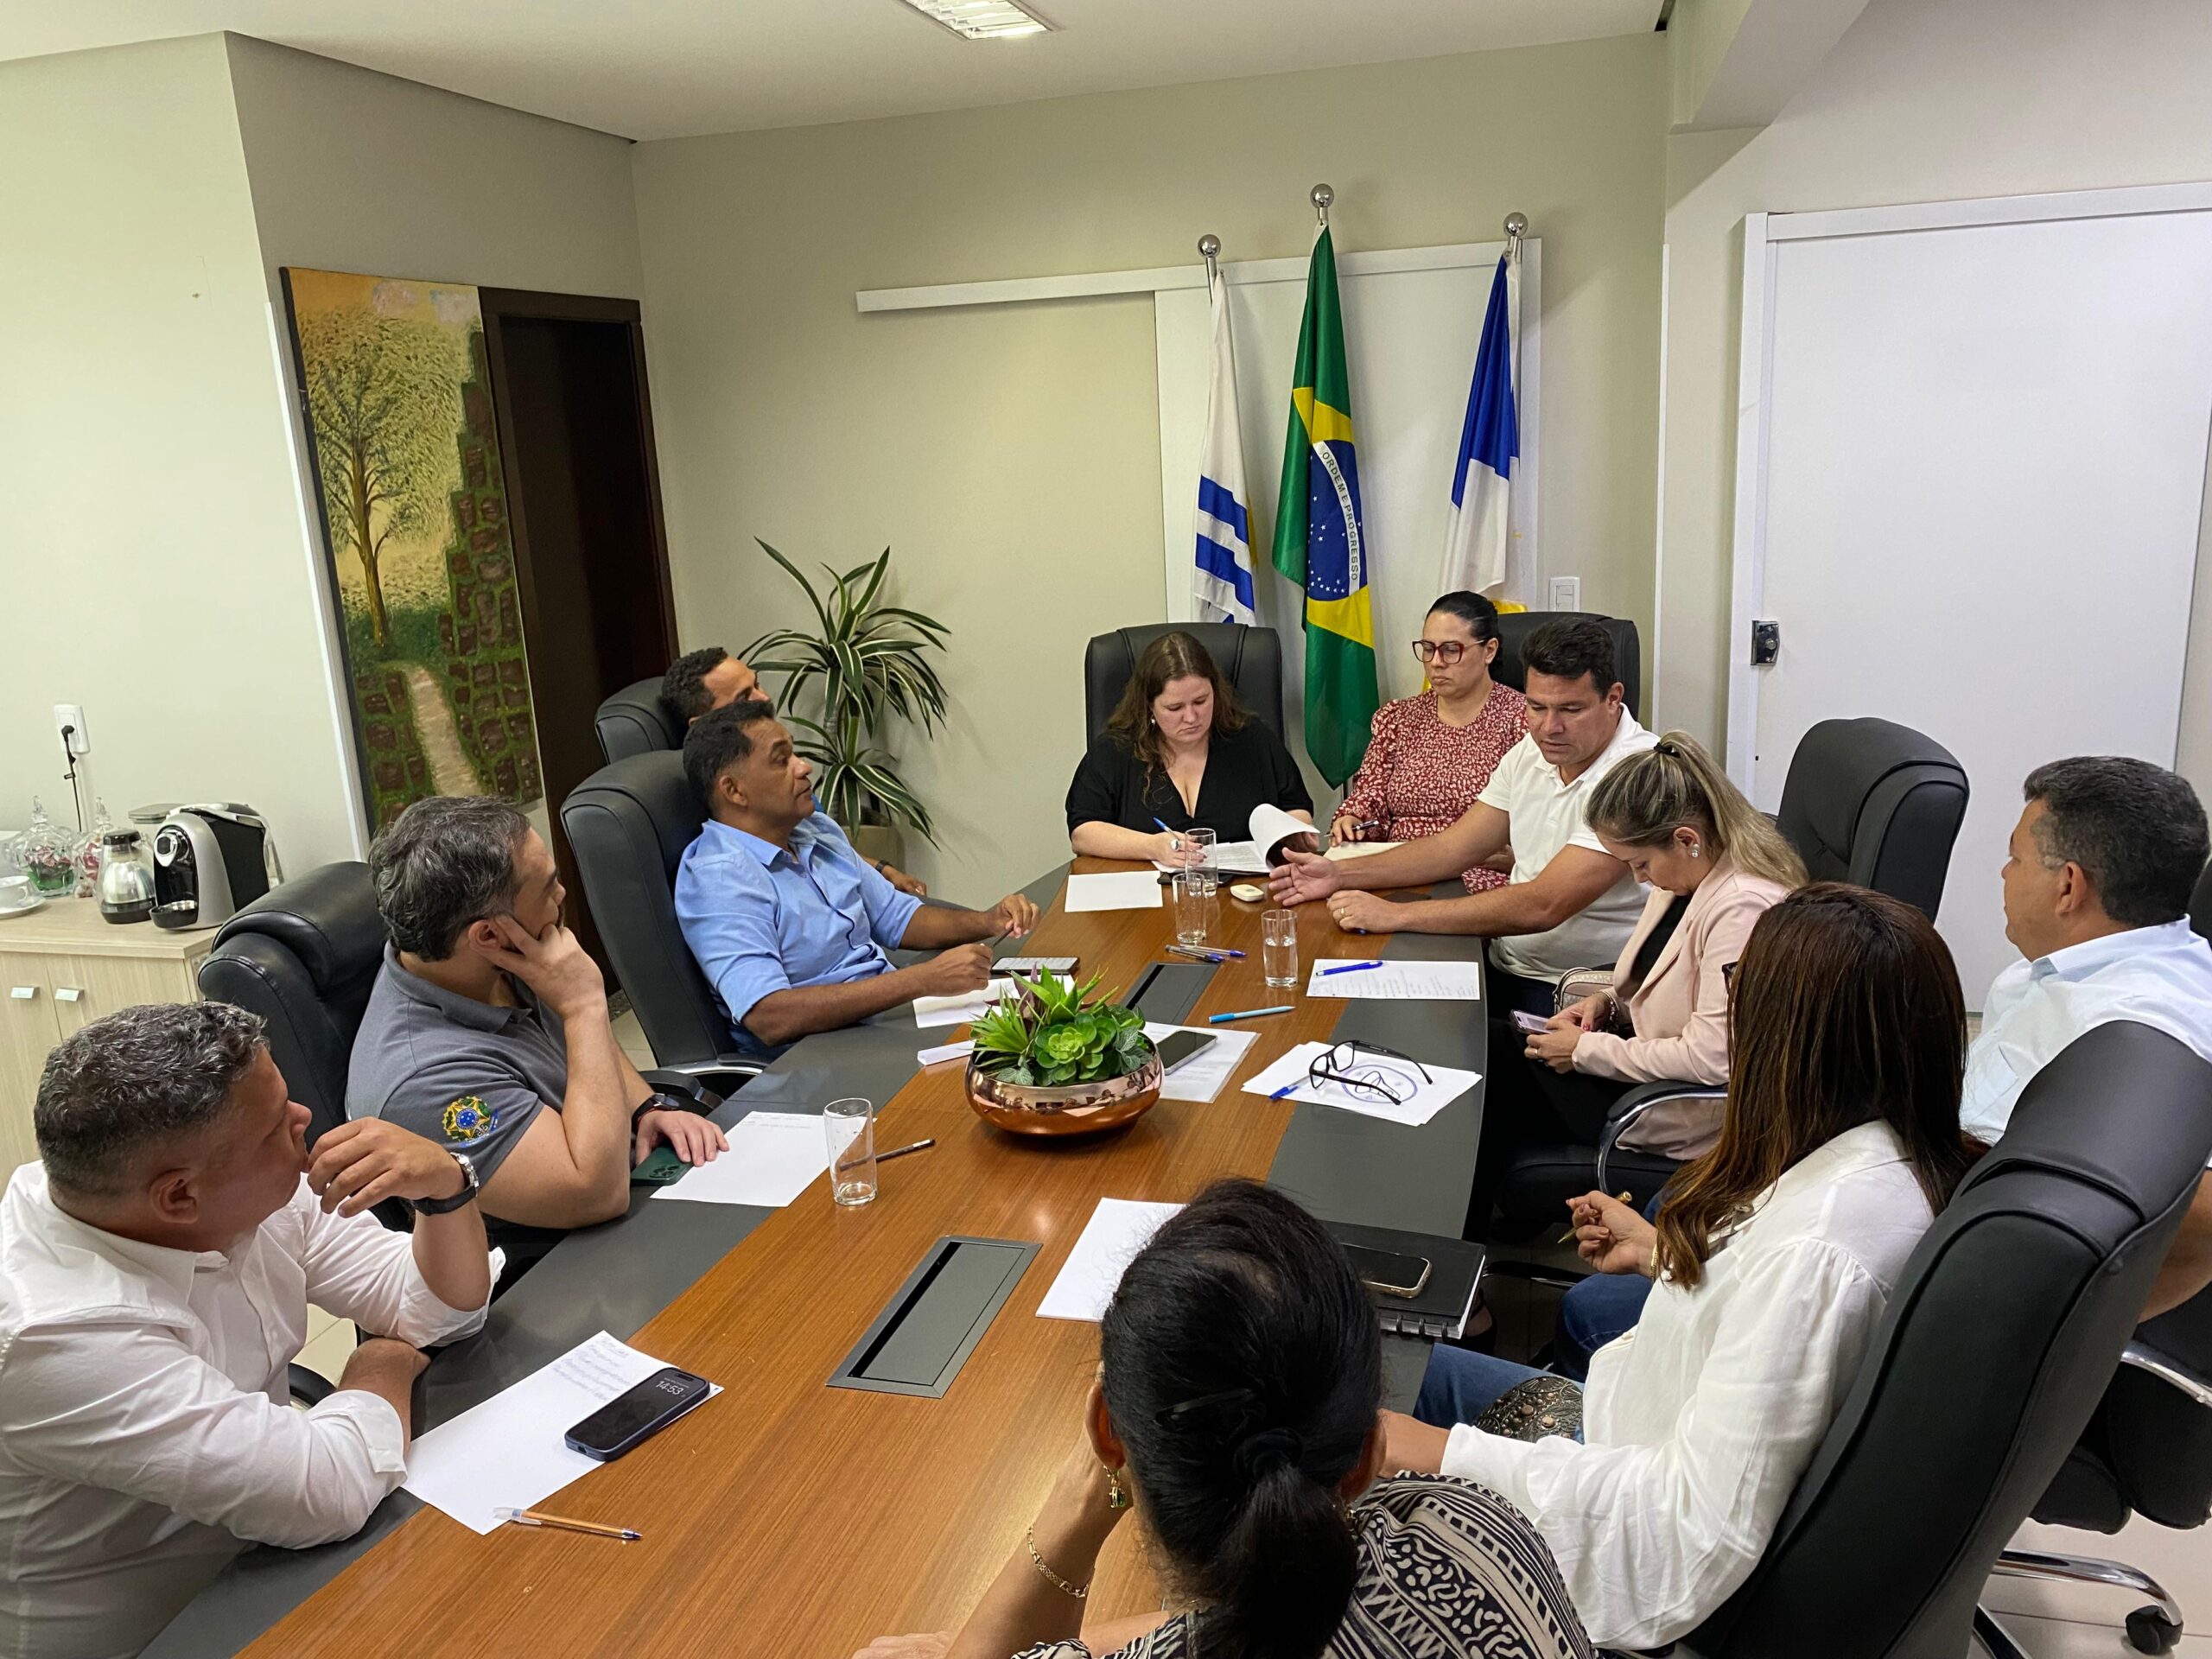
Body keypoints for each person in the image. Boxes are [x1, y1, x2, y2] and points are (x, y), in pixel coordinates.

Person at [1382, 885, 1980, 1652]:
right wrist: (1665, 1252)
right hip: (1623, 1426)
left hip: (1621, 1485)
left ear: (1791, 1036)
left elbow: (1693, 1528)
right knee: (1379, 1360)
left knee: (1356, 1395)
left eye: (1739, 991)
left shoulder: (1821, 1254)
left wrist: (1433, 1452)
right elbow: (1765, 1306)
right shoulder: (1885, 1156)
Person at [853, 1180, 1596, 1659]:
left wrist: (1076, 1509)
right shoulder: (1482, 1529)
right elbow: (1251, 1614)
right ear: (1371, 1453)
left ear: (1109, 1433)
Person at [0, 1002, 496, 1658]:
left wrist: (445, 1190)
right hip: (156, 1632)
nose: (304, 1123)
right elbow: (327, 1491)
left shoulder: (231, 1186)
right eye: (274, 1127)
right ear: (178, 1197)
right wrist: (380, 1364)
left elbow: (438, 1311)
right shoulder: (53, 1334)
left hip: (272, 1566)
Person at [1470, 733, 1804, 1240]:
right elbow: (1656, 976)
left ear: (1686, 839)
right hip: (1638, 1065)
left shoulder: (1743, 909)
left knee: (1484, 1074)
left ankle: (1462, 1284)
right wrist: (1606, 1004)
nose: (1639, 879)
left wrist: (1585, 1051)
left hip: (1674, 1108)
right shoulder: (1689, 876)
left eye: (1641, 864)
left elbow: (1712, 1061)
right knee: (1482, 1045)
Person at [350, 795, 728, 1240]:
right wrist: (584, 1005)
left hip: (638, 1180)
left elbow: (586, 1056)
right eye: (547, 887)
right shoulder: (422, 1081)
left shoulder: (496, 957)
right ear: (488, 934)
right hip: (577, 1255)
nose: (562, 893)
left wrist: (645, 1108)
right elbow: (593, 1195)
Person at [1270, 619, 1656, 1018]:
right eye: (1536, 707)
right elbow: (1453, 847)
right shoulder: (1532, 750)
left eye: (1570, 710)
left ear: (1613, 698)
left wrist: (1396, 915)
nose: (1548, 727)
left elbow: (1544, 905)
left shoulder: (1639, 774)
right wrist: (1339, 873)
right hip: (1506, 967)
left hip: (1583, 994)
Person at [1964, 757, 2212, 1319]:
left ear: (2068, 886)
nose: (2004, 874)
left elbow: (2201, 1219)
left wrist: (2055, 1330)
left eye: (2015, 858)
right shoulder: (2056, 968)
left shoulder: (2143, 1033)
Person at [678, 698, 1039, 1052]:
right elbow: (770, 1016)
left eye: (795, 754)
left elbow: (898, 917)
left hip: (879, 1019)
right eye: (781, 761)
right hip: (817, 1054)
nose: (803, 767)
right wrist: (924, 980)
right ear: (734, 790)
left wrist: (988, 920)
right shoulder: (719, 878)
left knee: (1038, 1022)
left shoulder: (814, 829)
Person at [664, 644, 925, 895]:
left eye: (756, 684)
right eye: (744, 698)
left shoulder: (786, 782)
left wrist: (880, 870)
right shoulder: (724, 844)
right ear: (702, 725)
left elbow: (818, 843)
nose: (764, 698)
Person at [1330, 592, 1527, 891]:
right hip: (1395, 871)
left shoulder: (1523, 720)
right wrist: (1354, 816)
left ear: (1489, 650)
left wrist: (1517, 856)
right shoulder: (1398, 717)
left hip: (1477, 877)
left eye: (1450, 650)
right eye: (1427, 649)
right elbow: (1372, 791)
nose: (1436, 663)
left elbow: (1540, 818)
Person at [1066, 631, 1313, 862]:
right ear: (1149, 706)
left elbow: (1296, 808)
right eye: (1175, 708)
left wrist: (1295, 834)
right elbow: (1082, 833)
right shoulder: (1115, 750)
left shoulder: (1253, 739)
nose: (1192, 717)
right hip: (1146, 895)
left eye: (1201, 701)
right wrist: (1152, 846)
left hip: (1244, 893)